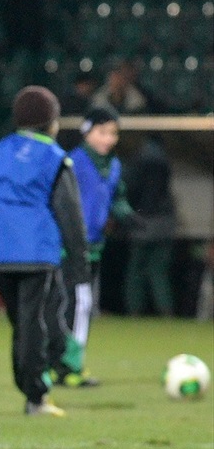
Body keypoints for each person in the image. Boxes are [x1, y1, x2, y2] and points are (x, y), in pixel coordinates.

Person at [0, 86, 89, 416]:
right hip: (37, 251)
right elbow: (70, 212)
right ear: (52, 122)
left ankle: (29, 385)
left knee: (20, 322)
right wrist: (79, 260)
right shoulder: (54, 157)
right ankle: (36, 396)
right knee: (34, 322)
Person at [46, 105, 136, 387]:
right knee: (77, 303)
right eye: (102, 132)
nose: (108, 138)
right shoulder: (72, 162)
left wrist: (128, 215)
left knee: (70, 304)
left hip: (94, 246)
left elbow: (115, 199)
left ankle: (55, 364)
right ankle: (69, 366)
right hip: (69, 246)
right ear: (87, 132)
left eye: (113, 133)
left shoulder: (115, 165)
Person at [123, 135, 178, 316]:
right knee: (158, 270)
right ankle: (165, 311)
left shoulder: (139, 160)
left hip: (144, 222)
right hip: (165, 222)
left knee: (136, 270)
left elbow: (130, 187)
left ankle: (134, 311)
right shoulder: (164, 162)